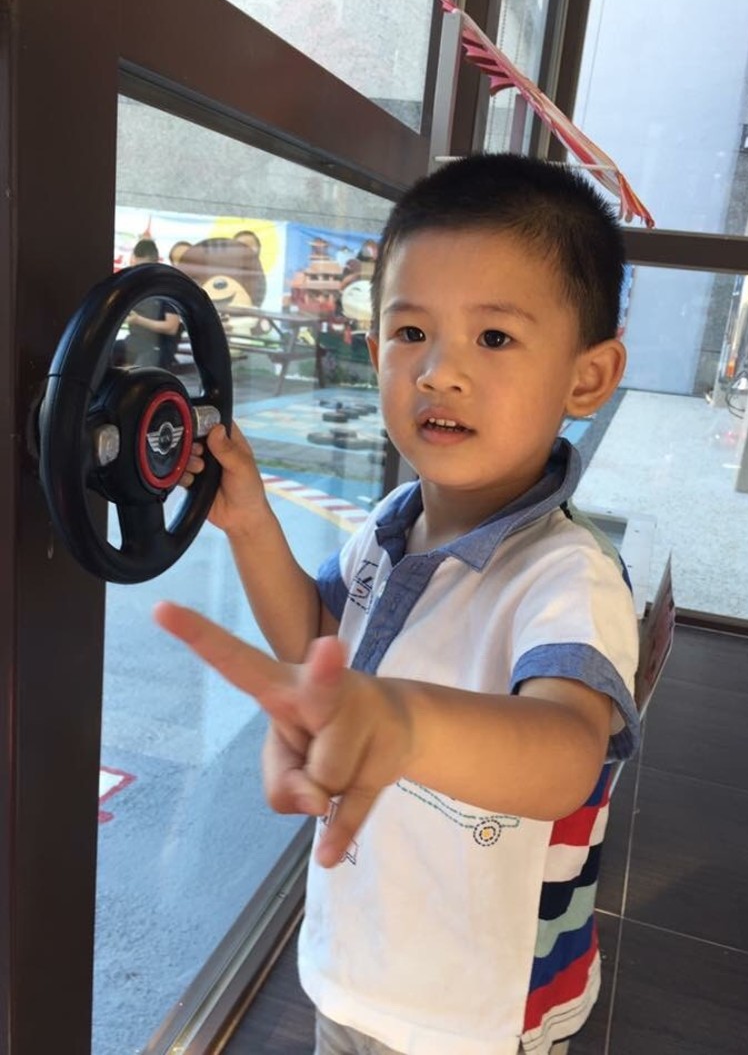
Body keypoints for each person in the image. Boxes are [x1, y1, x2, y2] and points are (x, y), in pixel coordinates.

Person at [154, 153, 641, 1055]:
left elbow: (566, 752)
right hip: (360, 962)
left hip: (480, 1010)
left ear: (587, 376)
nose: (440, 371)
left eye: (494, 338)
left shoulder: (567, 576)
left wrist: (401, 722)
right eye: (412, 332)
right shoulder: (392, 525)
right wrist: (251, 522)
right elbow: (318, 643)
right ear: (376, 352)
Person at [114, 237, 183, 369]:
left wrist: (138, 320)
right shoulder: (134, 284)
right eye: (135, 266)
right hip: (134, 342)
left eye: (142, 267)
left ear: (155, 263)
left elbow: (171, 327)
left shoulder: (167, 286)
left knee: (137, 368)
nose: (139, 272)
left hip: (158, 347)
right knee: (103, 355)